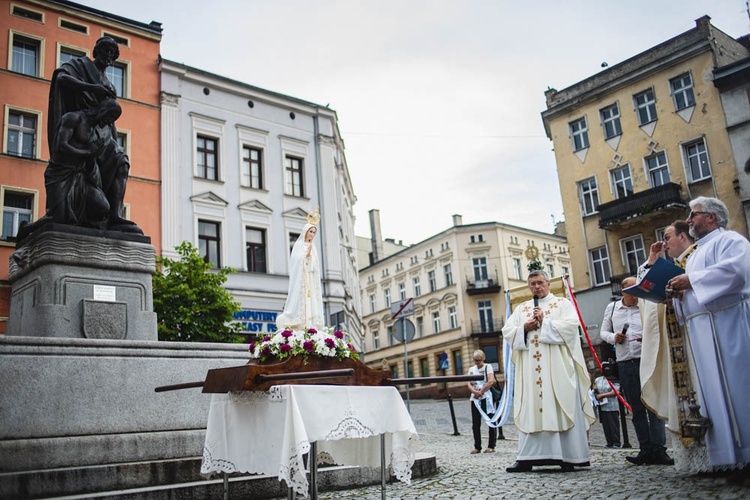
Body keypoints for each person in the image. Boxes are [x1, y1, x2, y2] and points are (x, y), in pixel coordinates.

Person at [668, 197, 750, 477]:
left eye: (694, 215)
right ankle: (725, 457)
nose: (689, 220)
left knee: (738, 389)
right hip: (702, 330)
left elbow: (737, 272)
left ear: (712, 217)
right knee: (712, 396)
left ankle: (745, 452)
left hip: (728, 326)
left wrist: (691, 281)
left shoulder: (731, 241)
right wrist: (680, 294)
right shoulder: (697, 252)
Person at [501, 270, 594, 472]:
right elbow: (507, 332)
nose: (537, 287)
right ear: (529, 286)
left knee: (559, 404)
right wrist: (524, 328)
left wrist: (546, 322)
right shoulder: (522, 308)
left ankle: (567, 456)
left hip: (557, 370)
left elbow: (572, 328)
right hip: (531, 373)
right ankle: (526, 458)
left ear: (548, 284)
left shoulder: (562, 304)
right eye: (533, 283)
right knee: (531, 408)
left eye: (540, 282)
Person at [637, 221, 708, 473]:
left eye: (667, 237)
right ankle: (693, 460)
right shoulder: (670, 267)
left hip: (698, 341)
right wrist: (652, 261)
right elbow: (645, 297)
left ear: (683, 235)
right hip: (676, 343)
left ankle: (715, 455)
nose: (664, 243)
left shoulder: (700, 258)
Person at [601, 276, 673, 466]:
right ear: (624, 291)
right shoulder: (613, 308)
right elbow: (603, 332)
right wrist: (613, 337)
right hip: (626, 362)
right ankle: (645, 449)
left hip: (647, 359)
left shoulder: (646, 305)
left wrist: (647, 338)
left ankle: (659, 449)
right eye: (634, 289)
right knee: (637, 408)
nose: (637, 293)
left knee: (653, 406)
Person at [276, 209, 325, 331]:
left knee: (311, 301)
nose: (312, 234)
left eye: (314, 232)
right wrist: (305, 257)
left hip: (310, 279)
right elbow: (295, 261)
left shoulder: (313, 247)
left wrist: (310, 258)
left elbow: (315, 266)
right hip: (301, 280)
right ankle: (300, 322)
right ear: (305, 232)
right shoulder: (299, 245)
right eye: (310, 231)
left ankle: (310, 324)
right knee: (301, 300)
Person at [467, 350, 501, 454]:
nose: (476, 362)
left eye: (478, 360)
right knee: (475, 423)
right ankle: (477, 446)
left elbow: (490, 381)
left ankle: (491, 445)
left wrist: (481, 392)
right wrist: (474, 392)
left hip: (486, 397)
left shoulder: (487, 367)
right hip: (475, 399)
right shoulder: (471, 369)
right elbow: (468, 383)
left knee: (490, 421)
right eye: (475, 360)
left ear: (483, 359)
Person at [594, 364, 621, 448]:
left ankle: (616, 442)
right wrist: (596, 395)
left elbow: (615, 392)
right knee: (606, 425)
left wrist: (603, 395)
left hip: (612, 405)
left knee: (613, 424)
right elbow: (594, 388)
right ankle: (609, 442)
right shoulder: (598, 380)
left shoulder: (614, 380)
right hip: (602, 405)